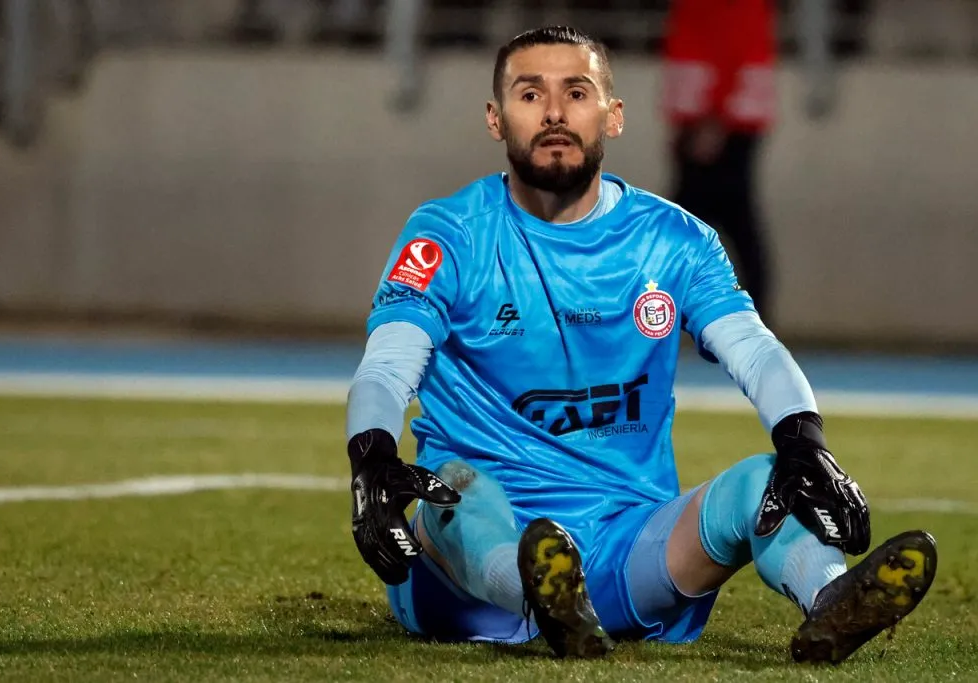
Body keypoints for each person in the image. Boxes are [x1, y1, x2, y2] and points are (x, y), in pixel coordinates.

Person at [344, 26, 936, 662]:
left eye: (576, 92)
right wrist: (373, 456)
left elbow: (755, 349)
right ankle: (541, 594)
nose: (553, 113)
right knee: (454, 485)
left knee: (767, 478)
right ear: (496, 118)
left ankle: (830, 597)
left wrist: (804, 439)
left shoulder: (676, 241)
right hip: (469, 569)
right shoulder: (448, 234)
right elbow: (387, 365)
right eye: (529, 94)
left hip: (628, 549)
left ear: (613, 115)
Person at [661, 0, 779, 322]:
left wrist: (714, 119)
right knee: (711, 222)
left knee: (688, 224)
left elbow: (732, 48)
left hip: (720, 121)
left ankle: (653, 319)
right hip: (708, 118)